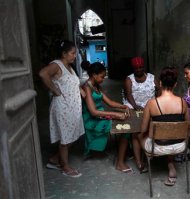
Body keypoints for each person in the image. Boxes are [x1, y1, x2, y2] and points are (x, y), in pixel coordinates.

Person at [39, 39, 85, 178]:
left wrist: (85, 94)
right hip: (63, 107)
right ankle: (65, 166)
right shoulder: (57, 65)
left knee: (73, 135)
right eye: (72, 53)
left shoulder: (70, 67)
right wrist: (55, 91)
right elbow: (42, 74)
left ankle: (54, 159)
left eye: (75, 53)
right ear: (64, 53)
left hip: (72, 107)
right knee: (65, 139)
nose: (75, 55)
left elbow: (74, 85)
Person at [138, 66, 190, 186]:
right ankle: (171, 166)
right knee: (172, 134)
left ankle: (143, 164)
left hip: (157, 147)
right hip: (180, 146)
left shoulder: (151, 103)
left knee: (138, 135)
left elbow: (144, 128)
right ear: (175, 84)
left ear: (160, 83)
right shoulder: (183, 102)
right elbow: (188, 126)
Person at [81, 62, 131, 173]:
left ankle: (124, 152)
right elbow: (93, 112)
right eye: (102, 76)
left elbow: (110, 102)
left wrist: (123, 106)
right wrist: (115, 114)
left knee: (126, 122)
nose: (103, 79)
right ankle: (120, 162)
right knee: (124, 128)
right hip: (92, 119)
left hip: (101, 114)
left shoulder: (96, 86)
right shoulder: (87, 87)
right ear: (94, 75)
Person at [119, 56, 159, 173]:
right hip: (134, 106)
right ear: (133, 68)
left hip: (149, 106)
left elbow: (159, 91)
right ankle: (139, 161)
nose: (139, 70)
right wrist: (135, 106)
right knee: (136, 130)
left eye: (141, 67)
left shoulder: (152, 78)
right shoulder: (129, 79)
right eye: (136, 68)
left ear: (144, 67)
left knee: (150, 128)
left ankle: (151, 153)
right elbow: (129, 94)